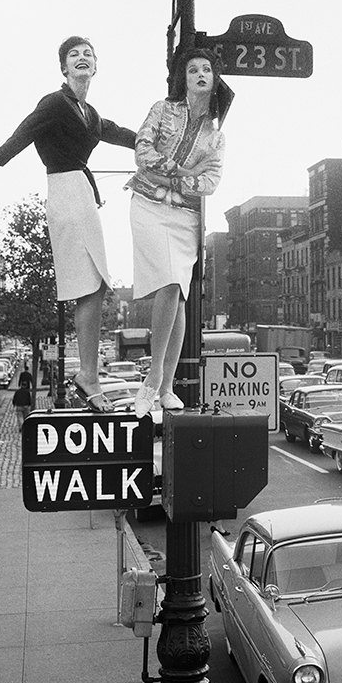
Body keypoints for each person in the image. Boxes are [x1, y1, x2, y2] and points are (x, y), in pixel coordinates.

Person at [0, 37, 136, 412]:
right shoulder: (55, 103)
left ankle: (88, 375)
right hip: (66, 192)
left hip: (82, 196)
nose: (82, 58)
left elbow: (121, 134)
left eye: (88, 53)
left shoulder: (88, 112)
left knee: (96, 286)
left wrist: (161, 143)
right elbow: (16, 140)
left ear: (96, 66)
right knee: (91, 283)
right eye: (74, 55)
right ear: (64, 69)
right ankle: (88, 376)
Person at [127, 48, 226, 418]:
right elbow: (142, 150)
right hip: (148, 205)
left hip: (185, 217)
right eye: (193, 69)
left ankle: (167, 388)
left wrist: (181, 176)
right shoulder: (162, 109)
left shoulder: (215, 137)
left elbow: (211, 182)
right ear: (182, 78)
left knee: (180, 294)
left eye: (206, 69)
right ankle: (151, 382)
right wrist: (183, 170)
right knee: (170, 284)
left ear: (214, 79)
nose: (200, 74)